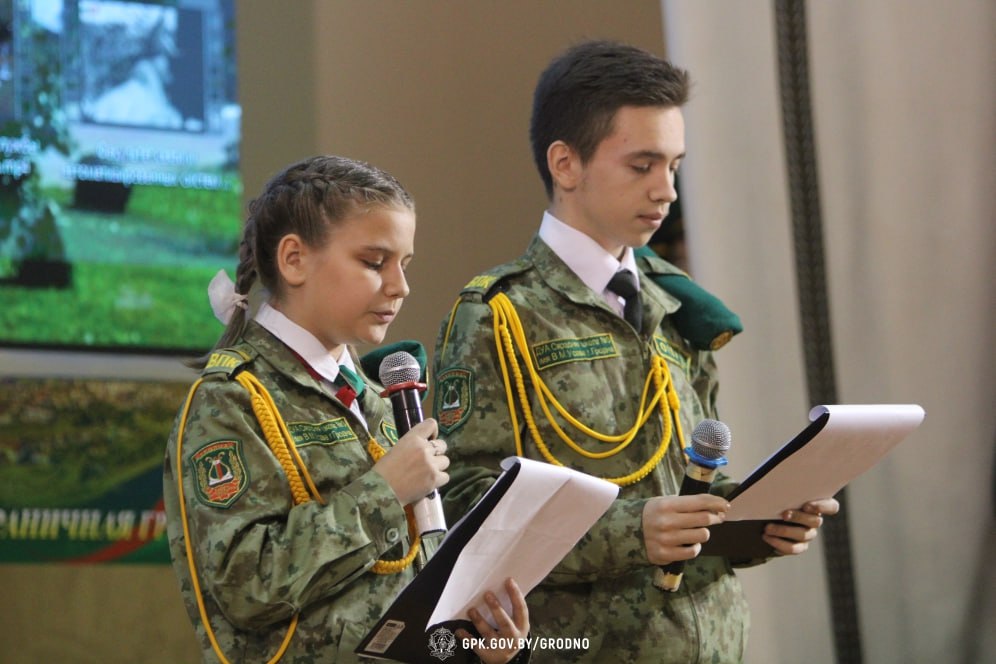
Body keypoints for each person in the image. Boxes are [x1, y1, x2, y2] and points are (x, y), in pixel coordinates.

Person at [431, 40, 838, 663]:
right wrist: (632, 532)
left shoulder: (678, 307)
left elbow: (688, 481)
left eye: (674, 166)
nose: (668, 191)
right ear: (565, 165)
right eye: (642, 165)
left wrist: (757, 522)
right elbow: (463, 507)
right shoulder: (499, 316)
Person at [163, 155, 529, 663]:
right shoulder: (232, 399)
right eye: (375, 262)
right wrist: (384, 490)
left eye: (406, 265)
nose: (400, 286)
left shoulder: (379, 400)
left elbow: (410, 582)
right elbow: (244, 587)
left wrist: (475, 641)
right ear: (294, 259)